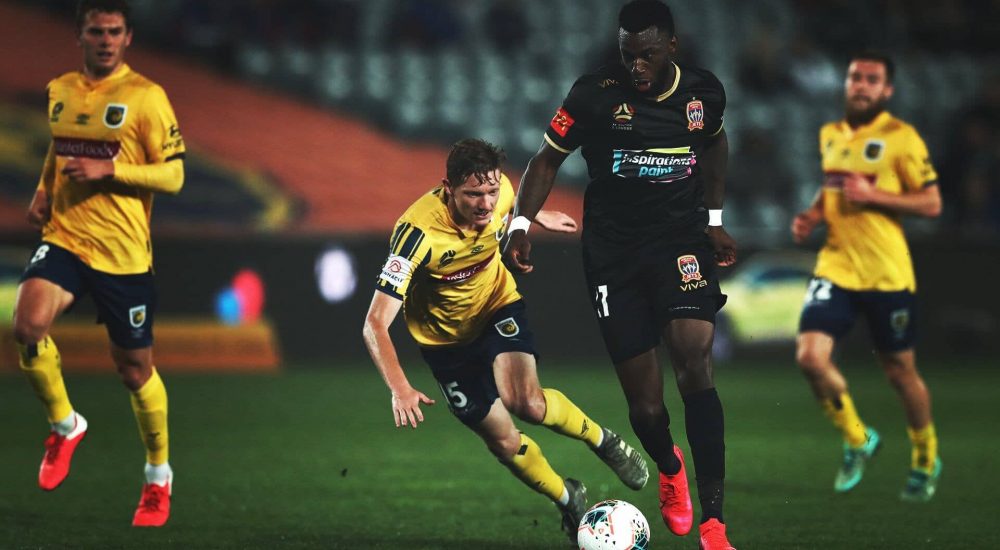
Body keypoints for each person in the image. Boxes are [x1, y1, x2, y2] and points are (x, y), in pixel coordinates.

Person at [504, 1, 737, 548]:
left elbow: (715, 142)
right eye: (628, 55)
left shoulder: (703, 94)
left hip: (680, 243)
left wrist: (714, 220)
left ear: (672, 47)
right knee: (646, 408)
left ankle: (714, 523)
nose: (637, 66)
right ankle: (669, 465)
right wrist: (519, 224)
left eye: (647, 55)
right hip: (614, 255)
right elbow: (545, 159)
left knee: (695, 363)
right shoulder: (593, 95)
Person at [362, 138, 649, 544]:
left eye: (492, 192)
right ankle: (568, 498)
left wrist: (534, 217)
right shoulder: (416, 235)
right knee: (503, 441)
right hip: (445, 344)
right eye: (473, 195)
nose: (485, 203)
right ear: (448, 189)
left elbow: (508, 206)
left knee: (526, 402)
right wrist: (400, 387)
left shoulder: (503, 193)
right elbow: (375, 323)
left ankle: (604, 441)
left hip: (497, 306)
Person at [13, 0, 185, 527]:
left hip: (123, 254)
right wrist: (45, 189)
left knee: (135, 371)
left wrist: (110, 171)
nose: (105, 40)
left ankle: (158, 476)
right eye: (96, 31)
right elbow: (58, 149)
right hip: (66, 237)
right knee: (27, 325)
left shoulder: (147, 98)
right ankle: (65, 426)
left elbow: (174, 176)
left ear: (128, 38)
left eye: (114, 32)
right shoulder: (60, 89)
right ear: (80, 35)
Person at [791, 51, 943, 502]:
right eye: (855, 77)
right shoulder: (831, 134)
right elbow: (832, 186)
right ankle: (858, 439)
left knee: (900, 372)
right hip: (837, 265)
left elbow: (931, 203)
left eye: (872, 80)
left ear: (887, 90)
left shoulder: (902, 138)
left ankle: (925, 456)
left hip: (885, 273)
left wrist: (875, 195)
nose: (861, 85)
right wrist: (813, 215)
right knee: (810, 358)